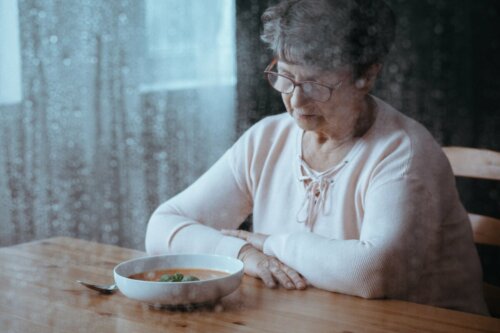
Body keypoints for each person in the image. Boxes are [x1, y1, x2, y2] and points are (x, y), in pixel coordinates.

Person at [145, 0, 489, 315]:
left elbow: (373, 273)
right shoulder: (268, 138)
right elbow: (163, 226)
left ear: (366, 75)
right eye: (285, 77)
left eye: (315, 85)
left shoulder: (403, 152)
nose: (296, 102)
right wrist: (242, 253)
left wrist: (271, 244)